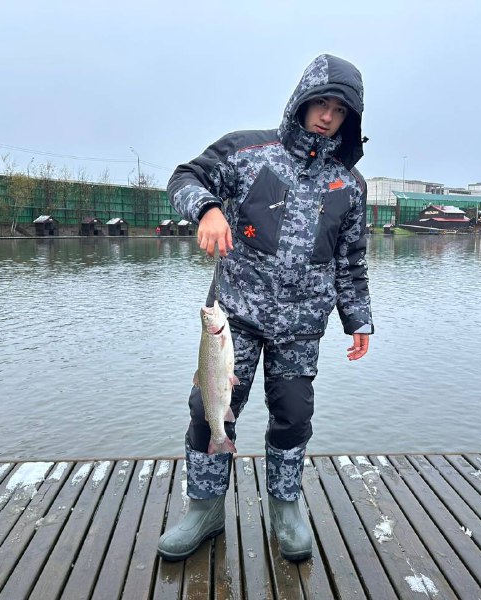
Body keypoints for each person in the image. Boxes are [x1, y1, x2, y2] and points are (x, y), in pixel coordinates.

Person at [158, 54, 374, 562]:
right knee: (208, 409)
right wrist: (208, 209)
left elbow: (352, 261)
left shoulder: (350, 185)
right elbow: (184, 177)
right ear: (301, 100)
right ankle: (205, 509)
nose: (327, 116)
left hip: (301, 327)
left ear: (350, 119)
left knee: (294, 416)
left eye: (339, 110)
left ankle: (285, 507)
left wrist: (358, 318)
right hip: (234, 318)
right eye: (320, 103)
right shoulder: (246, 152)